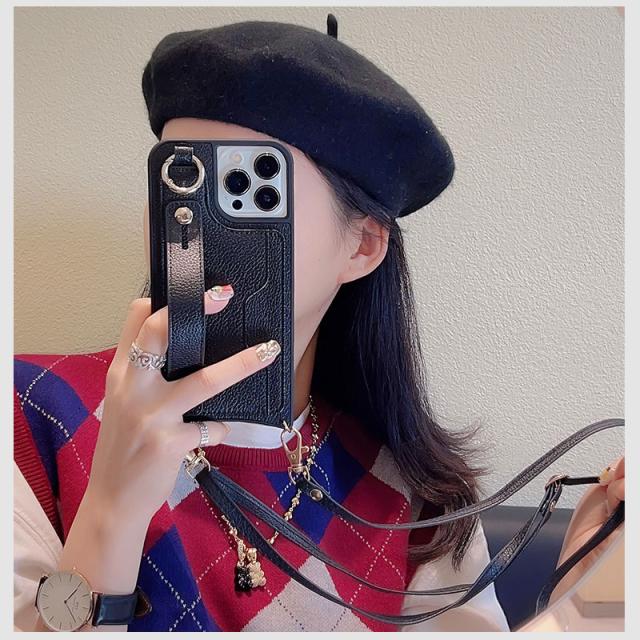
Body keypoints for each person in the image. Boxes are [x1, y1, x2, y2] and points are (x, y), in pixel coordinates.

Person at [14, 16, 623, 633]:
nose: (194, 225)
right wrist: (110, 512)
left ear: (362, 245)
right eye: (180, 181)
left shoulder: (413, 495)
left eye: (247, 189)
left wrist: (582, 600)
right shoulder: (27, 414)